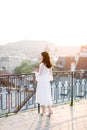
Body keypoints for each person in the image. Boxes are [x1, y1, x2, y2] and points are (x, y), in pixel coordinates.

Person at [35, 51, 53, 117]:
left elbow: (40, 74)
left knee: (42, 95)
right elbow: (51, 74)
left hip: (42, 82)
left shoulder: (42, 64)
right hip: (46, 82)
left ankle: (44, 111)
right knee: (46, 95)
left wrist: (35, 73)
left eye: (41, 56)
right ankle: (48, 110)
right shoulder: (50, 64)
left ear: (43, 57)